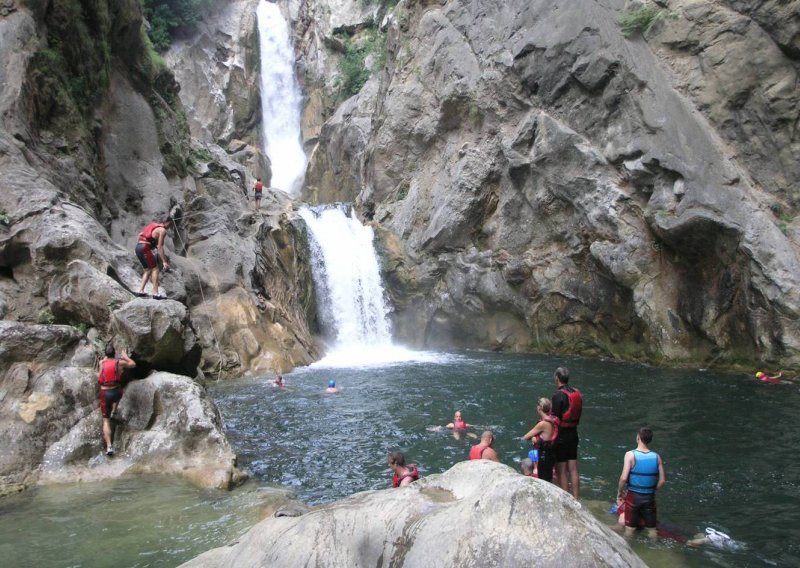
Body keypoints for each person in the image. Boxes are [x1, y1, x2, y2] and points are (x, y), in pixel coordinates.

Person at [616, 427, 666, 539]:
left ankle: (627, 553)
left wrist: (620, 492)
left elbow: (624, 478)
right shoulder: (657, 457)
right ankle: (654, 551)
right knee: (652, 530)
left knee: (629, 530)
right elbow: (662, 481)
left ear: (638, 438)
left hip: (633, 497)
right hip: (649, 497)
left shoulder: (630, 455)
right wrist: (652, 490)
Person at [98, 342, 136, 456]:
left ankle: (109, 447)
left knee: (106, 420)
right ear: (114, 353)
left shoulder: (101, 363)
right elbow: (133, 364)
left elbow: (100, 375)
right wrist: (125, 356)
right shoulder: (119, 363)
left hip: (105, 393)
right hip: (116, 392)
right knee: (120, 390)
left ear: (105, 354)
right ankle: (114, 410)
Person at [551, 367, 582, 498]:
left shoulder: (558, 395)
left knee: (561, 469)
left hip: (562, 435)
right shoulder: (577, 392)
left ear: (557, 378)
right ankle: (576, 497)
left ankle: (566, 498)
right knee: (573, 468)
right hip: (573, 433)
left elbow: (555, 419)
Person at [135, 217, 174, 299]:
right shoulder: (162, 231)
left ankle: (141, 291)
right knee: (155, 269)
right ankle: (155, 293)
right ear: (167, 223)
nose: (169, 227)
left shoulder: (153, 225)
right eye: (170, 225)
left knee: (147, 269)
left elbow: (140, 234)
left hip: (138, 247)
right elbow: (160, 246)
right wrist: (164, 261)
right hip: (145, 248)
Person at [522, 398, 559, 482]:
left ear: (540, 407)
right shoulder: (553, 420)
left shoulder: (542, 424)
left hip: (544, 455)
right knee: (548, 477)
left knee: (543, 479)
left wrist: (532, 437)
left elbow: (526, 437)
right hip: (552, 453)